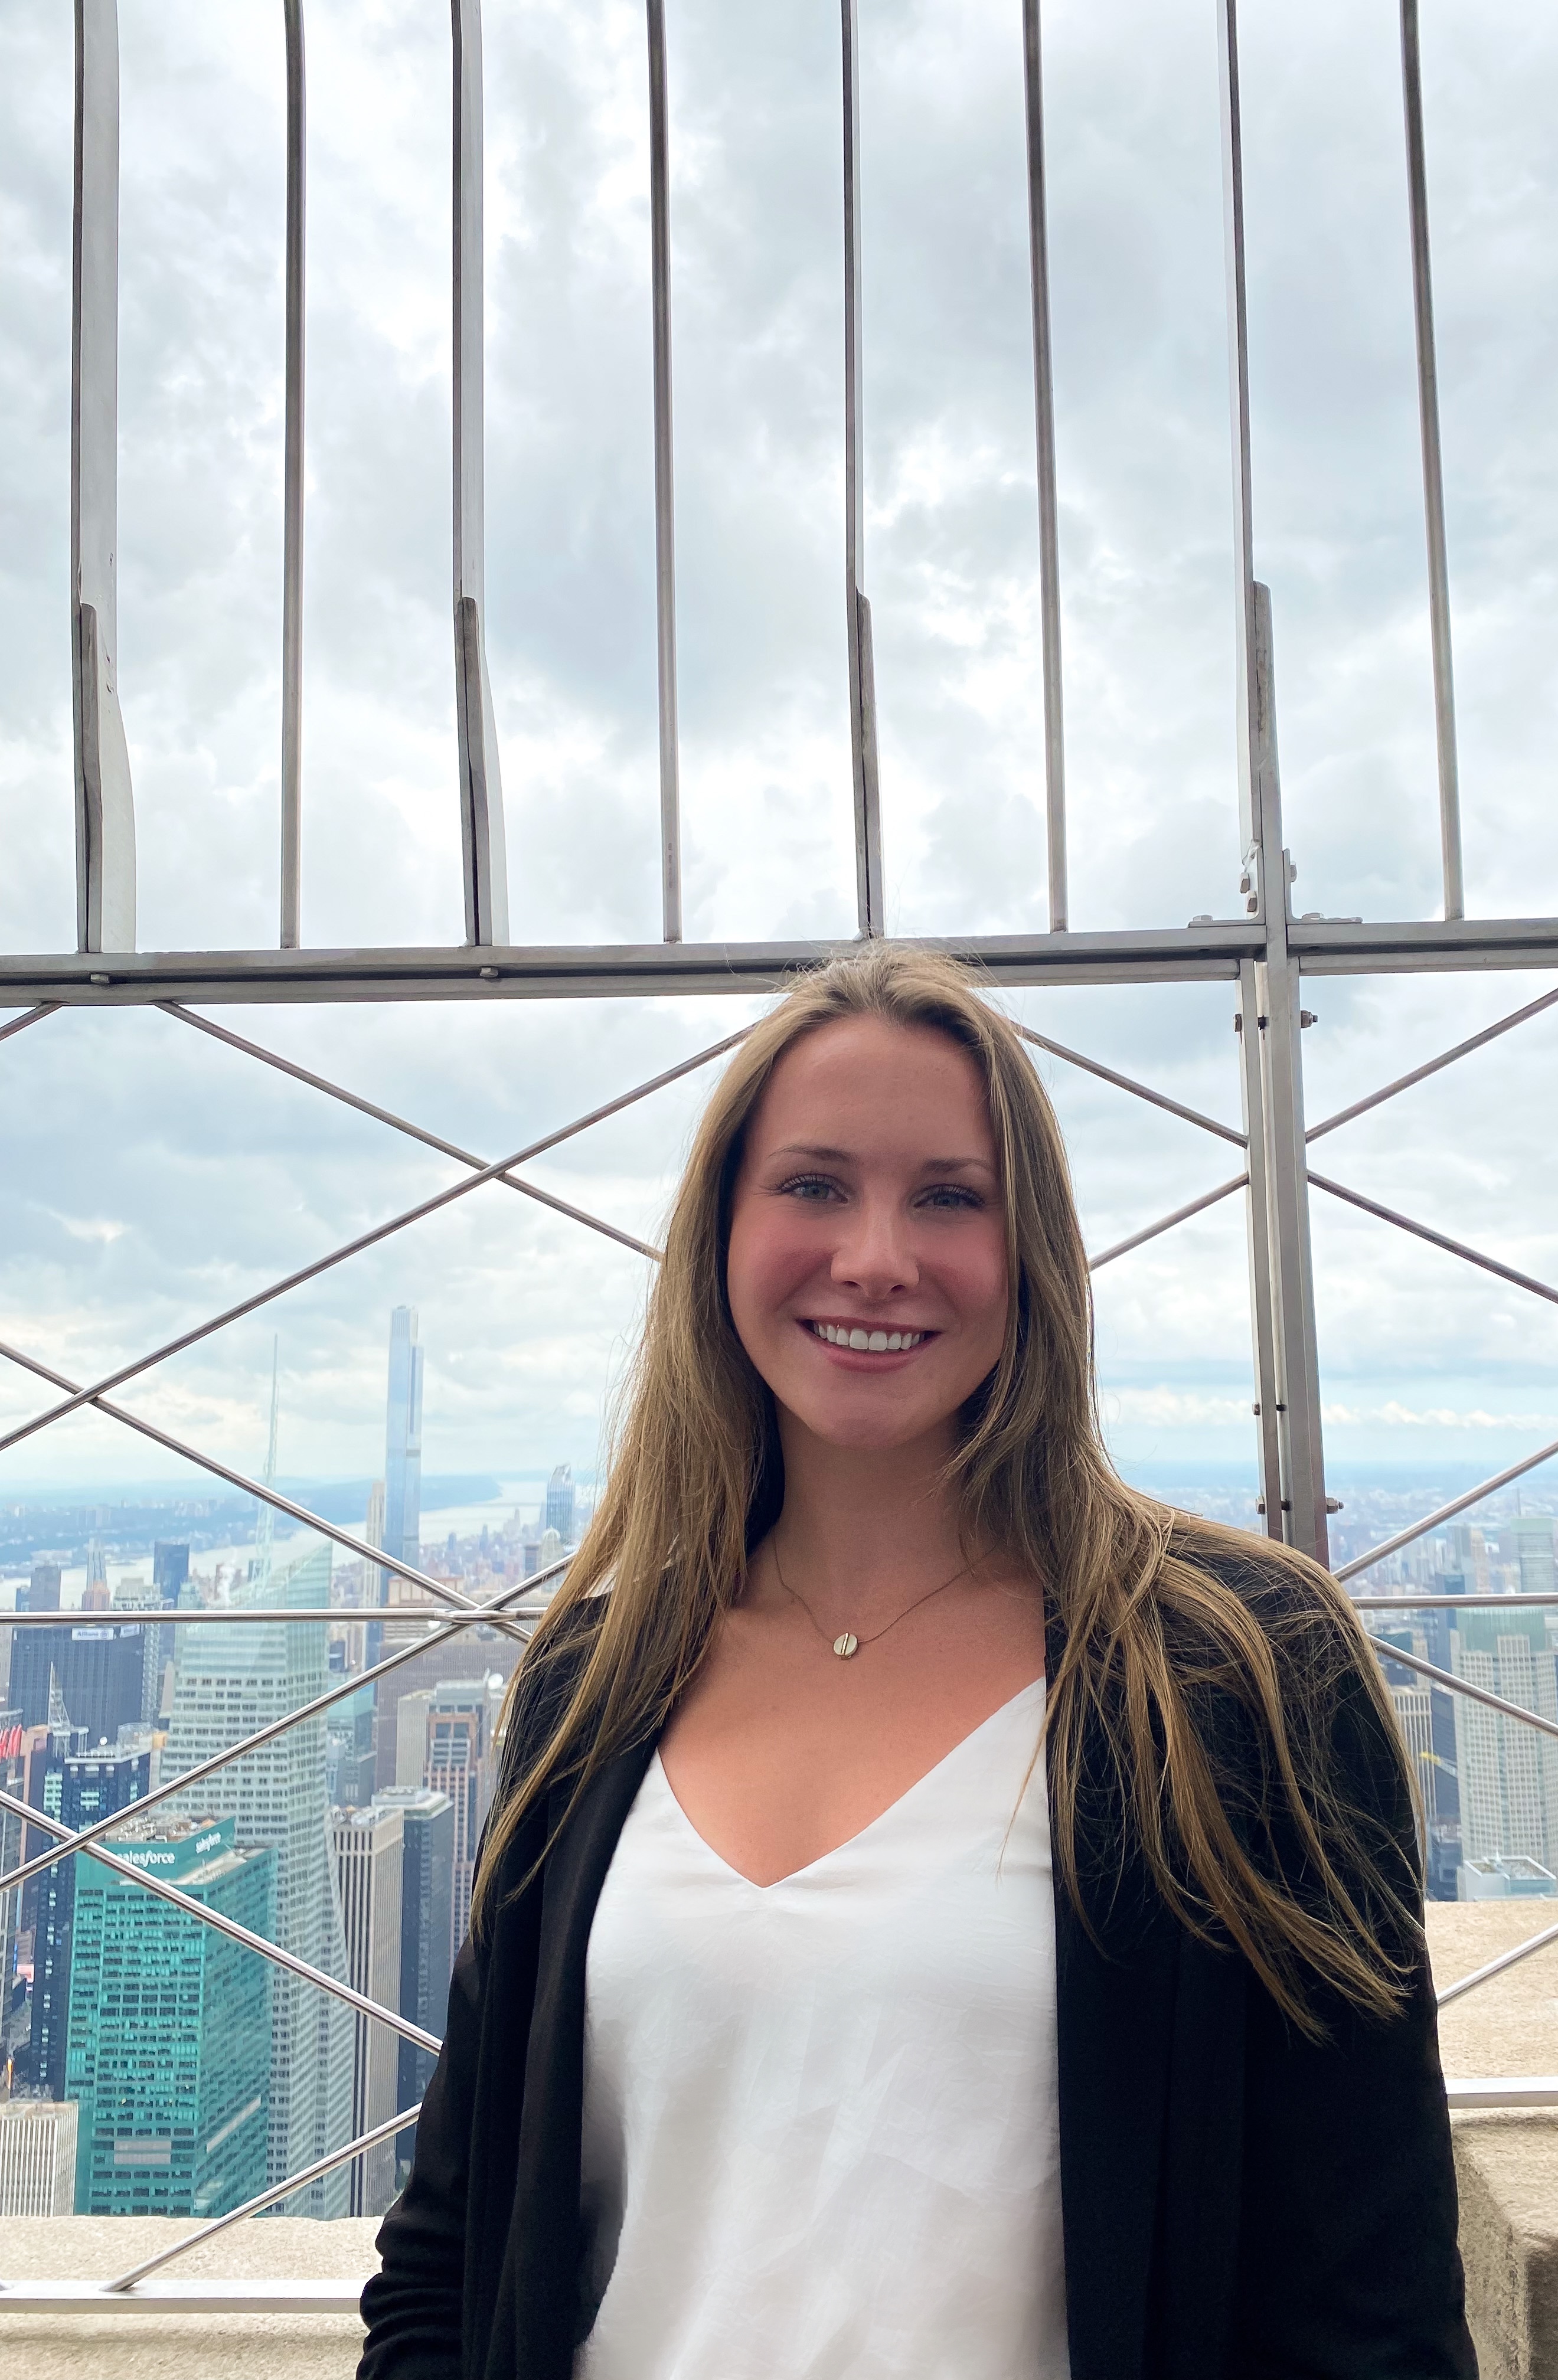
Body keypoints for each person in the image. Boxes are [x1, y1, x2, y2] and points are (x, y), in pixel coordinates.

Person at [358, 944, 1475, 2380]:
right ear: (721, 1234)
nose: (876, 1256)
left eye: (950, 1196)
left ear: (1032, 1253)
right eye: (813, 1185)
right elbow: (450, 2253)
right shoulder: (597, 1675)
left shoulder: (1238, 1672)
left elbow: (1371, 2314)